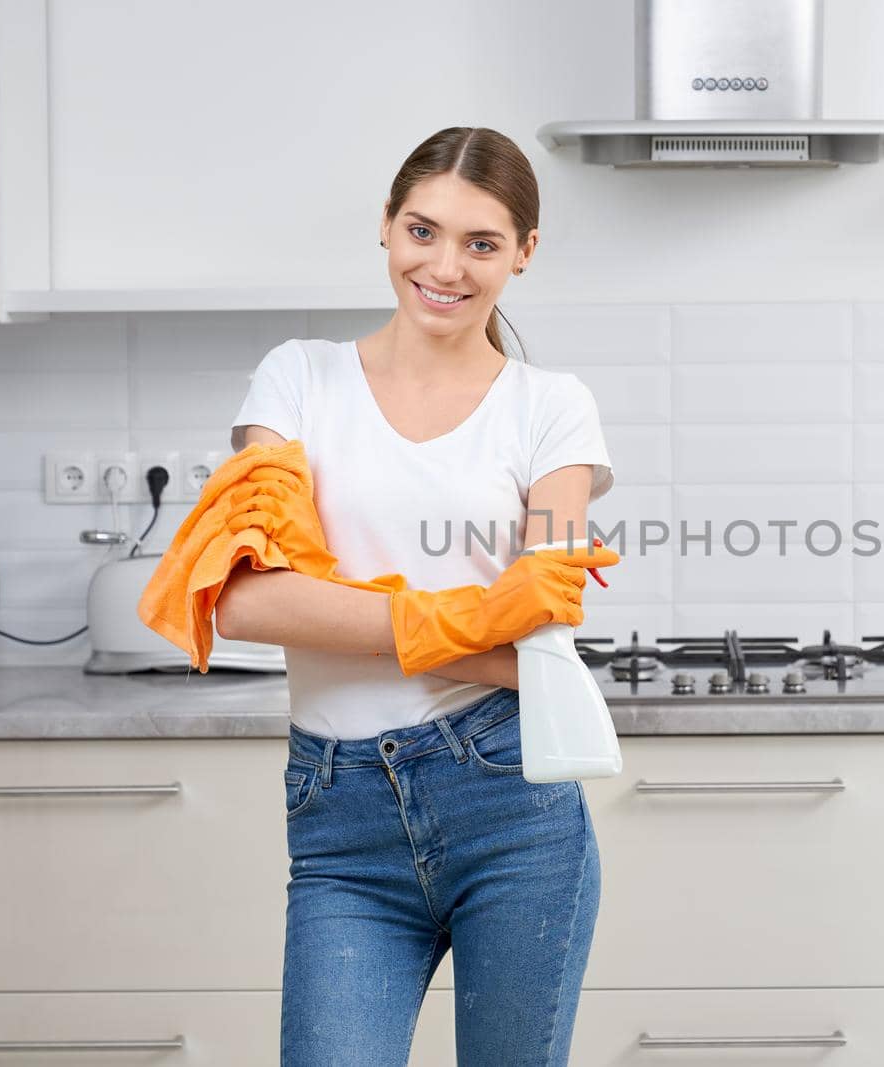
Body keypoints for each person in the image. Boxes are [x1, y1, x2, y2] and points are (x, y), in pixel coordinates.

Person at [214, 126, 616, 1066]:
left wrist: (349, 611)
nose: (445, 266)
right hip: (339, 815)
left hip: (511, 808)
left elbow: (544, 625)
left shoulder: (551, 407)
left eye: (482, 243)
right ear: (387, 230)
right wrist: (473, 622)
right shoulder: (296, 380)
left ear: (524, 253)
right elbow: (243, 601)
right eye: (421, 231)